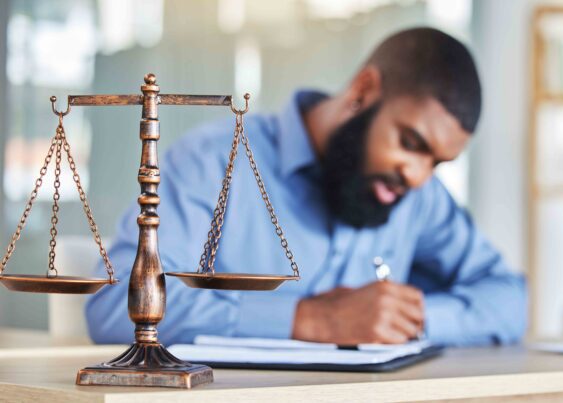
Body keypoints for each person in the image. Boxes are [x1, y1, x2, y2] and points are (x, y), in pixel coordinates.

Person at [86, 27, 527, 347]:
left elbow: (508, 300)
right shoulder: (213, 162)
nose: (418, 175)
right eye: (411, 143)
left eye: (438, 162)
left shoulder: (418, 196)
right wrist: (308, 319)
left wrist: (408, 319)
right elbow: (113, 308)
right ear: (365, 89)